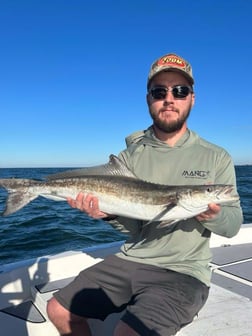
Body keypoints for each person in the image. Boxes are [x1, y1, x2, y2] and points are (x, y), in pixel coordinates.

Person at [47, 53, 243, 336]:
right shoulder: (130, 157)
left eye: (180, 90)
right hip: (132, 258)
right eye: (159, 91)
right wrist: (108, 214)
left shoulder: (216, 157)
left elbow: (233, 225)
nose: (169, 98)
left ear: (192, 98)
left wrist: (211, 213)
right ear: (149, 98)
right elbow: (136, 224)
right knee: (58, 309)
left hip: (183, 271)